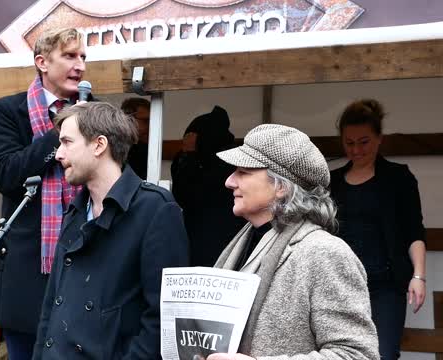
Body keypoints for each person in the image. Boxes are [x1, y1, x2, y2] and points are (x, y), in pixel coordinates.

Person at [207, 124, 379, 360]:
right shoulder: (245, 243)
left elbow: (357, 355)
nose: (229, 181)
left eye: (243, 172)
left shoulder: (324, 252)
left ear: (281, 187)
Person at [32, 102, 189, 359]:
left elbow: (162, 318)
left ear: (99, 145)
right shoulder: (74, 211)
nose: (58, 154)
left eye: (67, 142)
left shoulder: (155, 209)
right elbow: (51, 306)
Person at [0, 27, 87, 359]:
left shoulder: (95, 111)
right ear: (42, 62)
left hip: (85, 263)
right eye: (70, 56)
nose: (80, 66)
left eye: (83, 57)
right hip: (27, 271)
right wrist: (63, 128)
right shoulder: (8, 110)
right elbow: (5, 175)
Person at [330, 99, 426, 360]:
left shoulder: (398, 178)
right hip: (343, 284)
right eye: (349, 143)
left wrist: (418, 277)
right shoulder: (333, 182)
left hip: (387, 286)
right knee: (342, 354)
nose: (356, 149)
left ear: (379, 139)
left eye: (364, 141)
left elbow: (414, 231)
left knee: (384, 354)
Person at [171, 106, 246, 266]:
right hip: (202, 236)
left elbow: (189, 194)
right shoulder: (196, 160)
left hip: (220, 237)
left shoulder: (229, 161)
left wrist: (189, 156)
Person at [121, 97, 150, 179]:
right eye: (145, 120)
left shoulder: (145, 146)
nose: (150, 125)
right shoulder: (117, 146)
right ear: (129, 119)